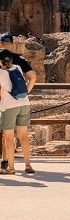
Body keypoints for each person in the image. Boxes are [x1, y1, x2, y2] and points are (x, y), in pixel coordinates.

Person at [0, 33, 38, 171]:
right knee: (23, 135)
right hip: (23, 102)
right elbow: (33, 76)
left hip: (8, 104)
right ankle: (27, 165)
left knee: (8, 137)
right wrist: (26, 91)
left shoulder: (1, 71)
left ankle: (9, 166)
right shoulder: (18, 66)